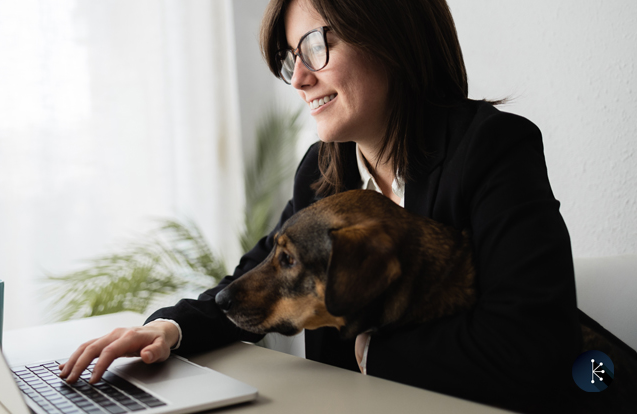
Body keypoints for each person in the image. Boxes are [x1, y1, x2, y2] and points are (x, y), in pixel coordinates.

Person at [59, 0, 579, 411]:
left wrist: (371, 354)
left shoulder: (492, 149)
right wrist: (164, 331)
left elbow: (531, 348)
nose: (300, 79)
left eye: (314, 46)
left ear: (389, 32)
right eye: (292, 58)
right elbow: (255, 280)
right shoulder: (324, 169)